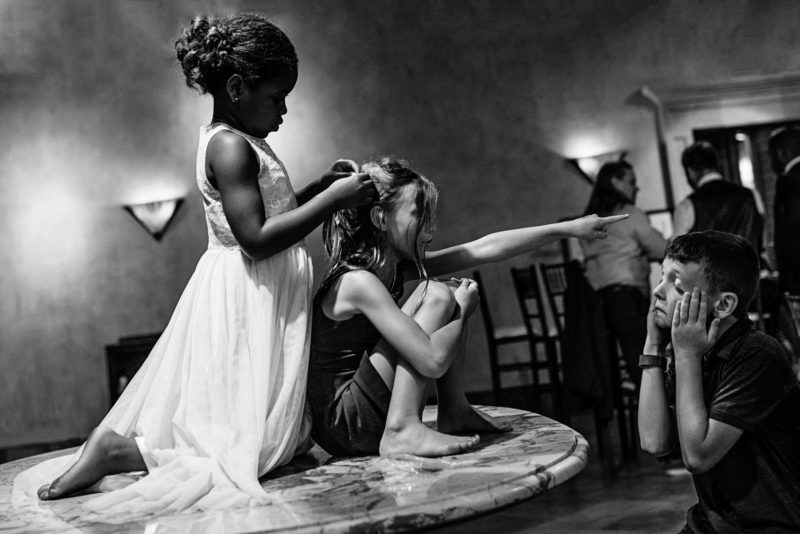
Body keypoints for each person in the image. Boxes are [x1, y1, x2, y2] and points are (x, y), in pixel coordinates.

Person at [16, 13, 376, 514]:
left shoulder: (243, 140)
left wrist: (317, 188)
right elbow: (254, 238)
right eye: (276, 97)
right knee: (241, 446)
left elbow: (273, 210)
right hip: (249, 286)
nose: (285, 109)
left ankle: (128, 449)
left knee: (260, 434)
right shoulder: (230, 147)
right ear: (236, 87)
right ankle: (119, 450)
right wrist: (334, 202)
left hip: (263, 285)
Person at [307, 157, 628, 458]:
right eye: (420, 215)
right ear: (380, 218)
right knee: (441, 294)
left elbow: (482, 249)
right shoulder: (358, 281)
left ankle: (453, 410)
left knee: (443, 290)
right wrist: (462, 310)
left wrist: (568, 229)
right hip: (346, 424)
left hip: (358, 415)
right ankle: (403, 428)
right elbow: (431, 361)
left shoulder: (391, 269)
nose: (430, 230)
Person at [638, 231, 800, 533]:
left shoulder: (757, 354)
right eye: (661, 277)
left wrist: (685, 355)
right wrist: (653, 345)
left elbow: (698, 456)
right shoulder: (698, 348)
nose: (657, 291)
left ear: (724, 305)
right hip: (713, 523)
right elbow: (654, 442)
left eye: (675, 284)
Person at [580, 161, 666, 388]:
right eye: (631, 182)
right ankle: (657, 414)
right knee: (645, 366)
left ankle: (620, 411)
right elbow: (661, 249)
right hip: (625, 299)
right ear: (615, 182)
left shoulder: (588, 219)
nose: (636, 188)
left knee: (620, 366)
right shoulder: (627, 215)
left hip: (595, 304)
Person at [672, 141, 763, 253]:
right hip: (750, 268)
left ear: (690, 171)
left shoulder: (688, 206)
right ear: (715, 165)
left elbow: (678, 255)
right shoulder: (751, 195)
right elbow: (759, 234)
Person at [768, 126, 800, 295]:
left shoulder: (787, 181)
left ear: (782, 153)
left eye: (771, 155)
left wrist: (789, 278)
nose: (771, 162)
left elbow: (792, 230)